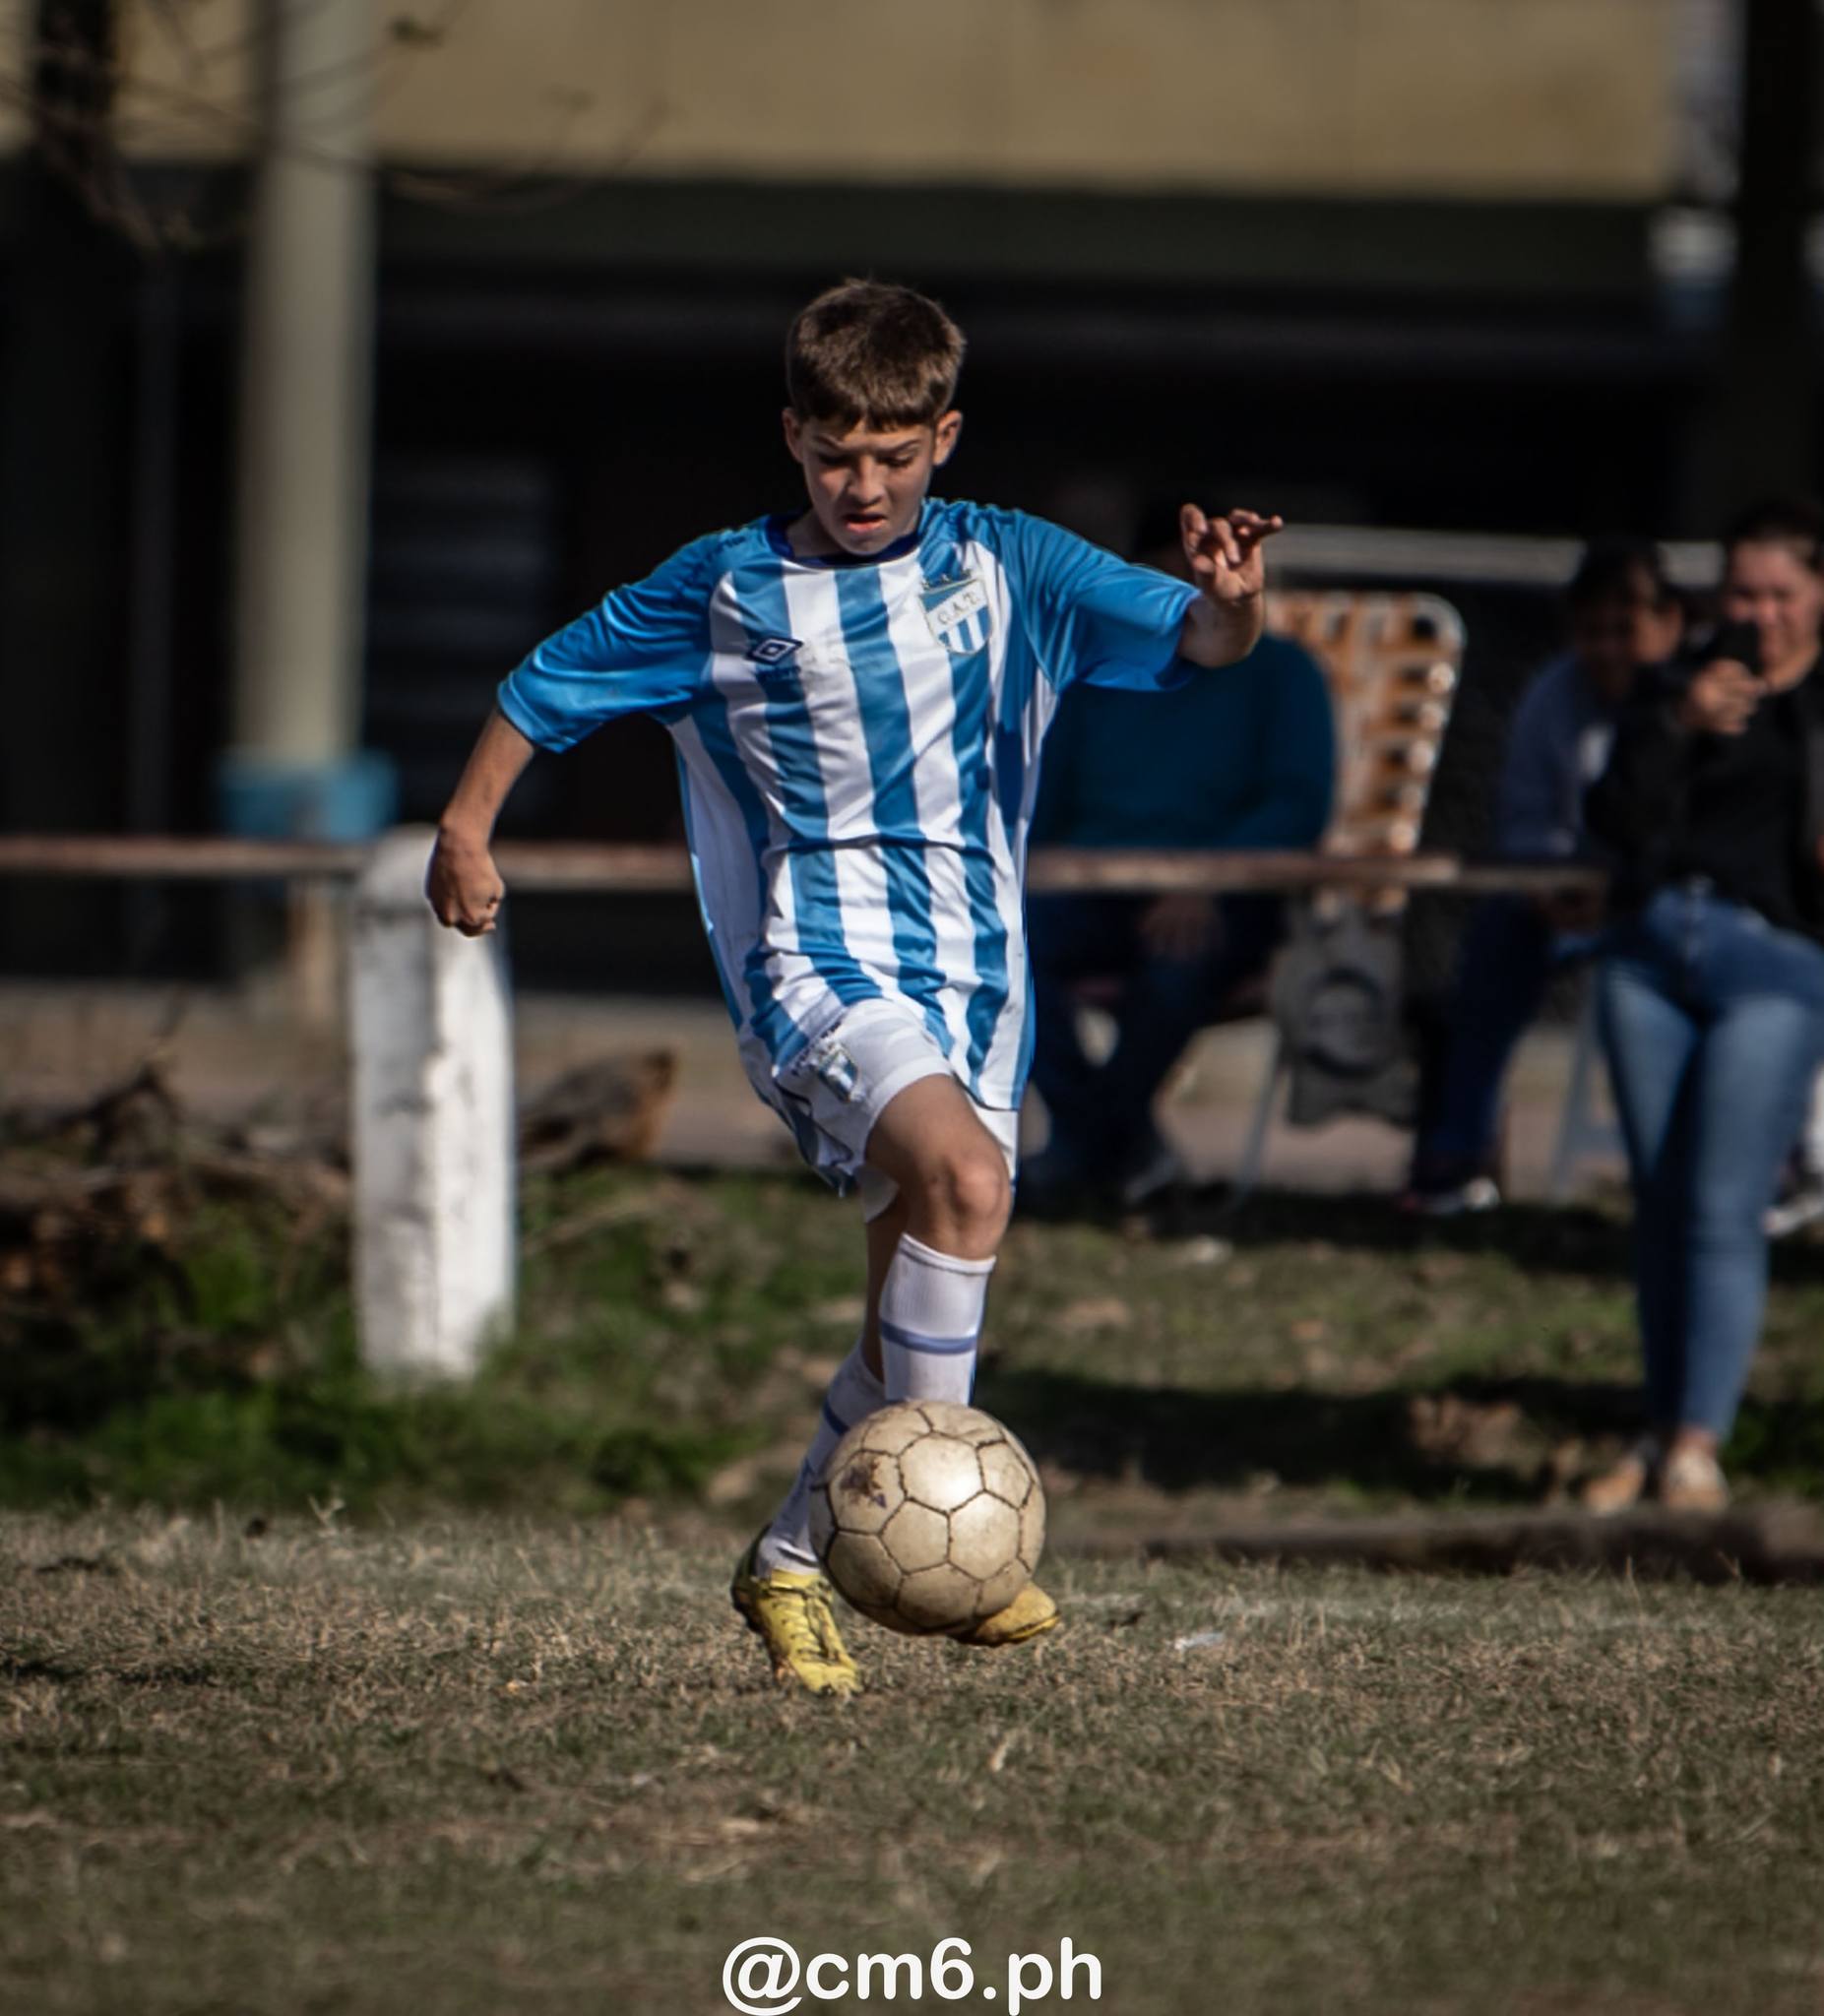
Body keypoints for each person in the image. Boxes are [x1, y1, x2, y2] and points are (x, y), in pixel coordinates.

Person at [424, 280, 1283, 1693]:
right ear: (791, 437)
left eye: (892, 456)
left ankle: (787, 1562)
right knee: (967, 1183)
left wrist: (1234, 606)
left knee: (906, 1310)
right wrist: (466, 829)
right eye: (834, 458)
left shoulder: (1015, 567)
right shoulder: (723, 587)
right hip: (817, 966)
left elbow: (1196, 645)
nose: (862, 485)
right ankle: (950, 1553)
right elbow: (543, 686)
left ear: (945, 437)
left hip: (975, 985)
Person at [1581, 498, 1824, 1513]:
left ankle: (1694, 1445)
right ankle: (1651, 1426)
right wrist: (1677, 726)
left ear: (1815, 596)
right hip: (1646, 957)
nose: (1759, 613)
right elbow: (1610, 820)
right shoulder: (1673, 687)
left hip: (1768, 964)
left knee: (1724, 1204)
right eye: (1741, 591)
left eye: (1780, 593)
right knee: (1659, 1202)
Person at [1025, 533, 1334, 1205]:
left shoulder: (1283, 674)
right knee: (1000, 950)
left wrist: (1208, 879)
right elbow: (1041, 803)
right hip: (1089, 889)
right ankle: (1118, 1145)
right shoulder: (1092, 675)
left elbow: (1297, 803)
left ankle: (1085, 1150)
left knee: (1177, 965)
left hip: (1222, 898)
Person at [1403, 540, 1685, 1214]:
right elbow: (1527, 817)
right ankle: (1456, 1151)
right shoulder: (1553, 696)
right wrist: (1546, 882)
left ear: (1670, 623)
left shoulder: (1696, 697)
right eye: (1593, 631)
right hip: (1566, 894)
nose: (1610, 648)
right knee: (1493, 941)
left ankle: (1675, 1171)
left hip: (1668, 904)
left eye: (1627, 629)